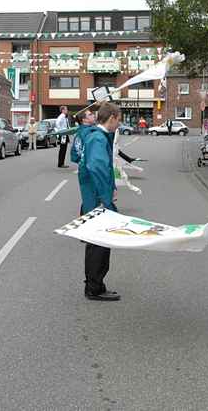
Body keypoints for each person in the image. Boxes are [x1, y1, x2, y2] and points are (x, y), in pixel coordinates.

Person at [78, 102, 121, 301]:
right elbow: (97, 167)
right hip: (97, 200)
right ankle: (94, 288)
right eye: (118, 120)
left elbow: (102, 167)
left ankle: (95, 284)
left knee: (99, 243)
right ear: (111, 117)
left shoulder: (97, 136)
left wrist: (111, 187)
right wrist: (105, 197)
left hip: (95, 197)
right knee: (99, 245)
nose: (119, 125)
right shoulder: (97, 138)